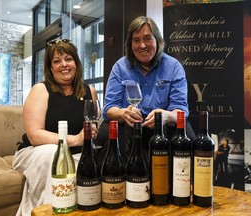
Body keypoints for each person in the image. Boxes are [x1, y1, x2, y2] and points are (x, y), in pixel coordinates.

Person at [12, 38, 98, 216]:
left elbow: (92, 125)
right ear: (50, 68)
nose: (63, 65)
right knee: (54, 153)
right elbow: (35, 135)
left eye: (68, 59)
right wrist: (74, 139)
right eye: (57, 61)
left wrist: (91, 132)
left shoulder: (90, 91)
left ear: (76, 63)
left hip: (78, 152)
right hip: (36, 151)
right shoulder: (41, 90)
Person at [96, 16, 195, 167]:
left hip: (162, 127)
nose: (142, 45)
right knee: (105, 132)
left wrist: (166, 116)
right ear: (130, 43)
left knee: (187, 133)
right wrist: (123, 113)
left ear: (157, 40)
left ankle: (182, 186)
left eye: (147, 38)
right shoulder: (120, 67)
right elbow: (109, 109)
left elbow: (180, 109)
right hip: (129, 126)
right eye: (136, 40)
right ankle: (114, 184)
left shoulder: (174, 66)